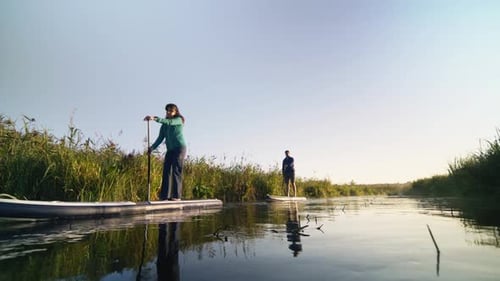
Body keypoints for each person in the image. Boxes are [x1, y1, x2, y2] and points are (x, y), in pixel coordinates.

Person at [144, 103, 187, 201]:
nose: (168, 112)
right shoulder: (164, 125)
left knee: (176, 170)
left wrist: (155, 118)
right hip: (170, 150)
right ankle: (164, 196)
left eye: (171, 111)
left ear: (175, 112)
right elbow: (160, 138)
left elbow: (170, 122)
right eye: (167, 111)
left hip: (180, 148)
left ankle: (176, 196)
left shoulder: (179, 120)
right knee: (166, 171)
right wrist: (152, 148)